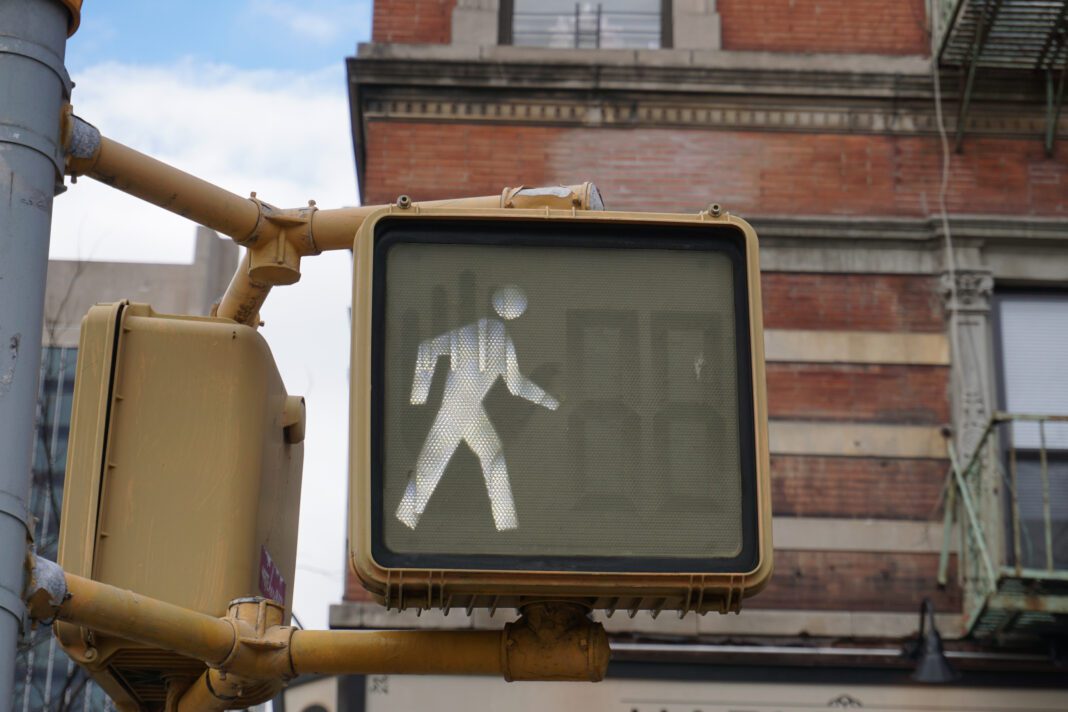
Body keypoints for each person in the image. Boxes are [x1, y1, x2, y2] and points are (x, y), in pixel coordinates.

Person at [396, 285, 559, 531]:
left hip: (470, 411)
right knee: (436, 465)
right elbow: (427, 349)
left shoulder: (499, 339)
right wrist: (419, 394)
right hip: (454, 410)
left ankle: (506, 527)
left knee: (489, 459)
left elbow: (515, 385)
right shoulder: (472, 335)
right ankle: (405, 520)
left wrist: (549, 401)